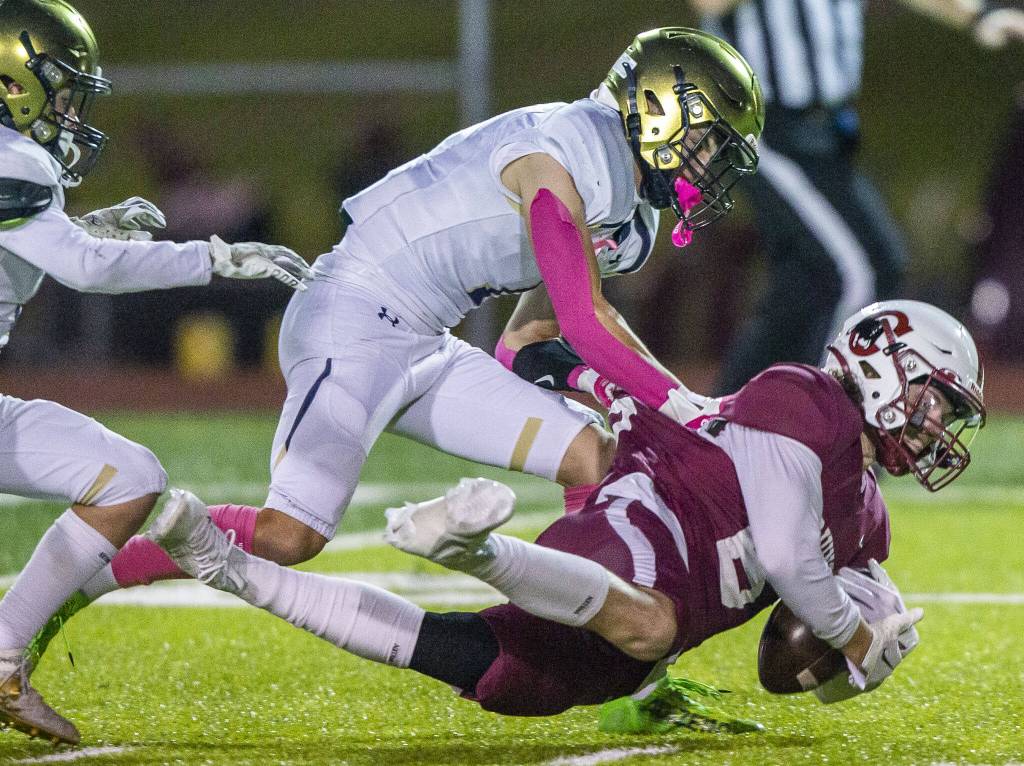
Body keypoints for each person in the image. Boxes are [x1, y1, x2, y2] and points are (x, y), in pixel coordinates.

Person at [29, 27, 766, 664]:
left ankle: (600, 663)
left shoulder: (627, 212)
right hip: (350, 316)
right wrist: (686, 406)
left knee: (593, 457)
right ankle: (84, 579)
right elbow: (581, 318)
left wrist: (628, 398)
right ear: (661, 109)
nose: (708, 164)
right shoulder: (572, 146)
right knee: (289, 537)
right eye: (706, 141)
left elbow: (532, 338)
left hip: (422, 340)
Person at [145, 299, 984, 727]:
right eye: (937, 401)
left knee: (491, 671)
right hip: (650, 521)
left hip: (639, 615)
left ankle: (230, 568)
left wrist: (871, 632)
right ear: (881, 365)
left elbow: (792, 657)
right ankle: (473, 546)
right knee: (649, 628)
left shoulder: (870, 517)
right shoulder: (806, 400)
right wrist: (855, 632)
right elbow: (791, 559)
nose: (939, 428)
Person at [0, 0, 311, 745]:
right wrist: (214, 256)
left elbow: (39, 256)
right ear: (16, 83)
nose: (71, 109)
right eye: (63, 89)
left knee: (126, 475)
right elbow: (85, 269)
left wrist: (86, 226)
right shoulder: (15, 157)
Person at [688, 0, 1024, 396]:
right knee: (858, 270)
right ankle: (811, 422)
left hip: (827, 129)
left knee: (809, 281)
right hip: (763, 120)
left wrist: (978, 15)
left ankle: (724, 418)